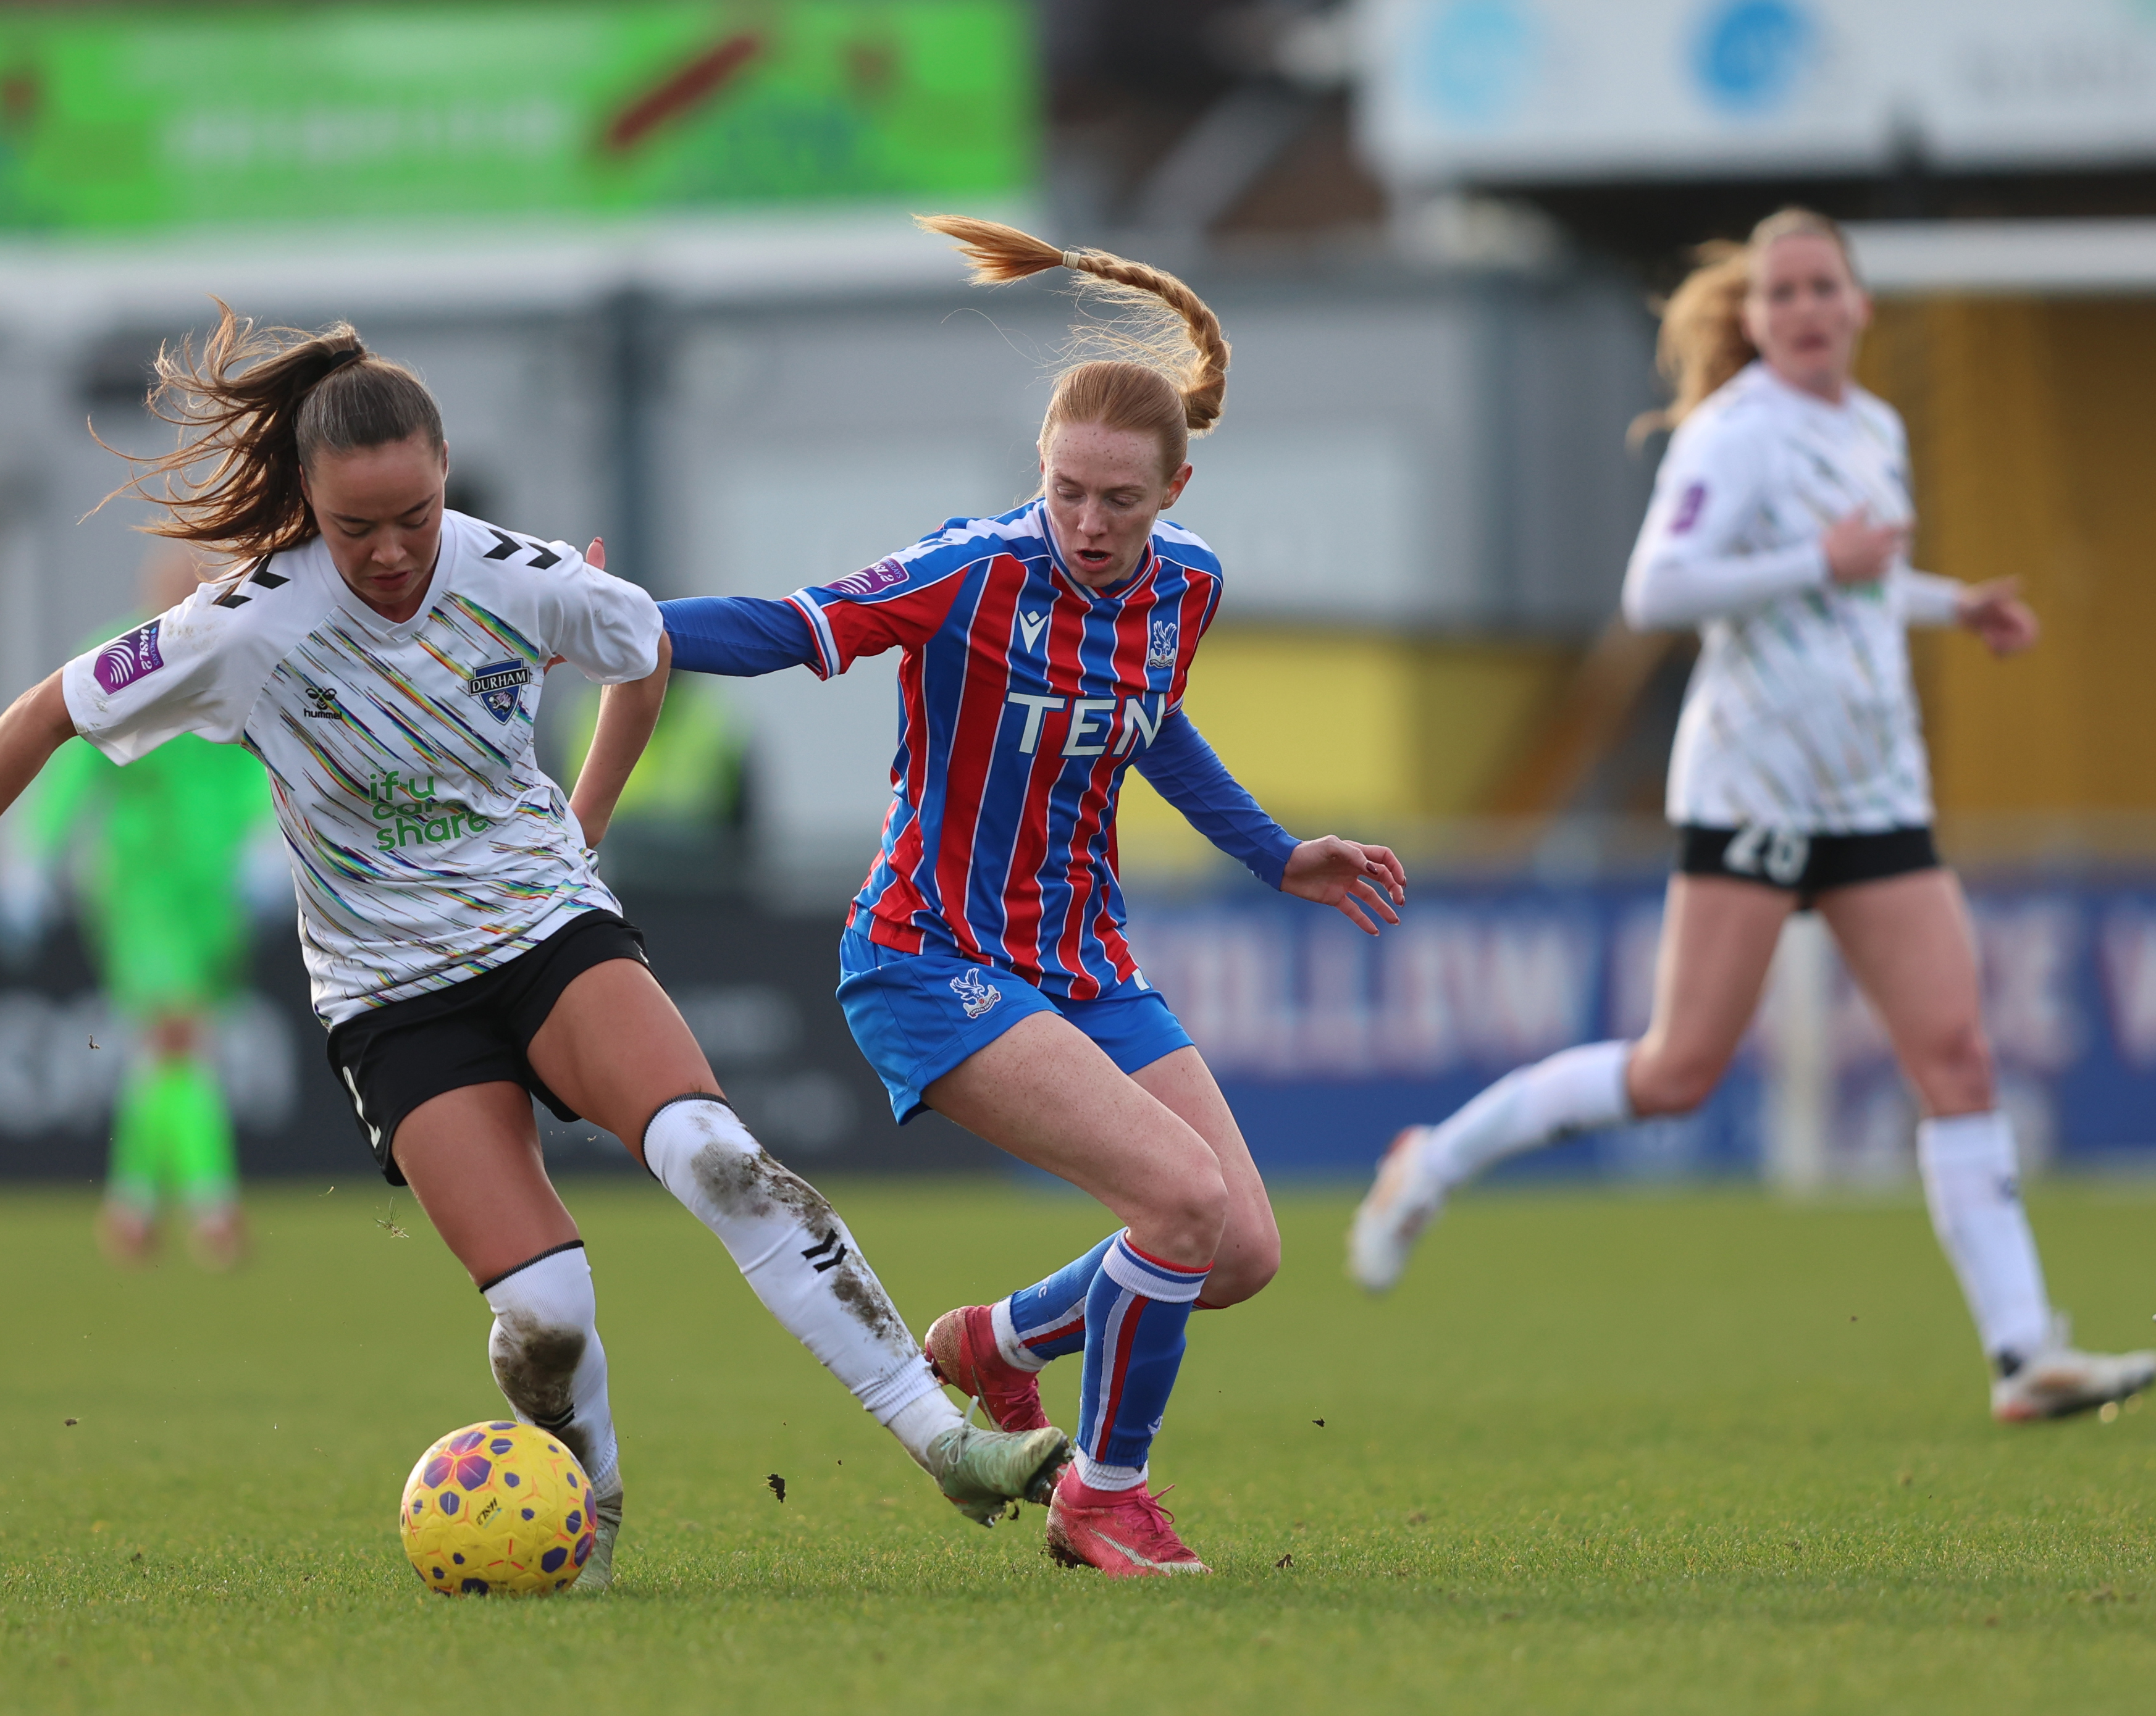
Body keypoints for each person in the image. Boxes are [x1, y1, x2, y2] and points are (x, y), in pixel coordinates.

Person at [0, 309, 1070, 1591]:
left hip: (547, 930)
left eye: (413, 519)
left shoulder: (517, 572)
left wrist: (581, 823)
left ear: (446, 484)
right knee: (544, 1314)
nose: (388, 553)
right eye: (353, 528)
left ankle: (943, 1439)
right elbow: (50, 708)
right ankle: (587, 1512)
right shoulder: (242, 626)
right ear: (307, 507)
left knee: (718, 1161)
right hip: (389, 995)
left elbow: (642, 654)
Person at [660, 215, 1407, 1576]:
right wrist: (598, 614)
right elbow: (790, 625)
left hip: (1081, 961)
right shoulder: (973, 570)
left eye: (1119, 497)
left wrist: (1273, 851)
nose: (1087, 521)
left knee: (1236, 1248)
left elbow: (1152, 725)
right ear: (1039, 475)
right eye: (1066, 489)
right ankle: (1100, 1498)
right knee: (1177, 1208)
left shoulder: (1185, 589)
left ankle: (994, 1342)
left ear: (1174, 489)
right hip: (925, 954)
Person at [1344, 208, 2156, 1424]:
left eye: (1823, 287)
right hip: (1752, 788)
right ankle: (1435, 1157)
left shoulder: (1873, 425)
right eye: (1780, 295)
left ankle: (2020, 1352)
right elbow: (1655, 587)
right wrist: (1816, 565)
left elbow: (1856, 579)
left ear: (1859, 304)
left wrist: (1949, 607)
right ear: (1755, 317)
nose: (1805, 310)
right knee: (1676, 1072)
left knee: (1956, 1055)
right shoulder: (1733, 436)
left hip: (1872, 786)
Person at [0, 543, 282, 1269]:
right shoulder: (113, 659)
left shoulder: (238, 661)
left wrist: (266, 839)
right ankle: (213, 1209)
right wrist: (37, 854)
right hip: (141, 887)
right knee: (179, 1036)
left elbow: (264, 758)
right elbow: (71, 762)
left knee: (169, 1051)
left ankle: (131, 1206)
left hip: (215, 893)